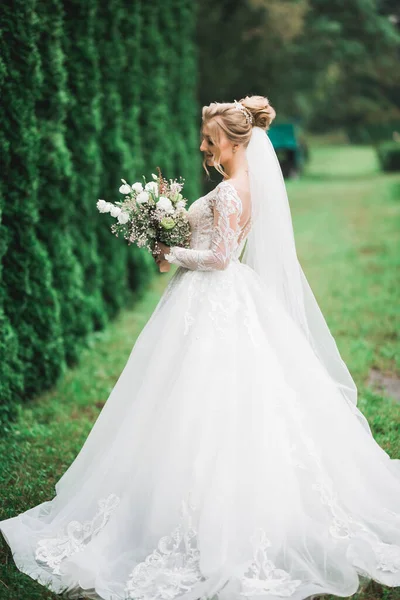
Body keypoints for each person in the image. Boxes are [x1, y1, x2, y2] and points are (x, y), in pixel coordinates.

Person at [1, 95, 400, 600]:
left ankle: (211, 512)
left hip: (215, 298)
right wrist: (162, 231)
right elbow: (207, 244)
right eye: (205, 138)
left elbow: (218, 259)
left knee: (204, 400)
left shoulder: (233, 193)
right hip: (213, 297)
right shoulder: (235, 187)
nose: (204, 146)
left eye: (211, 140)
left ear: (237, 142)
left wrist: (170, 248)